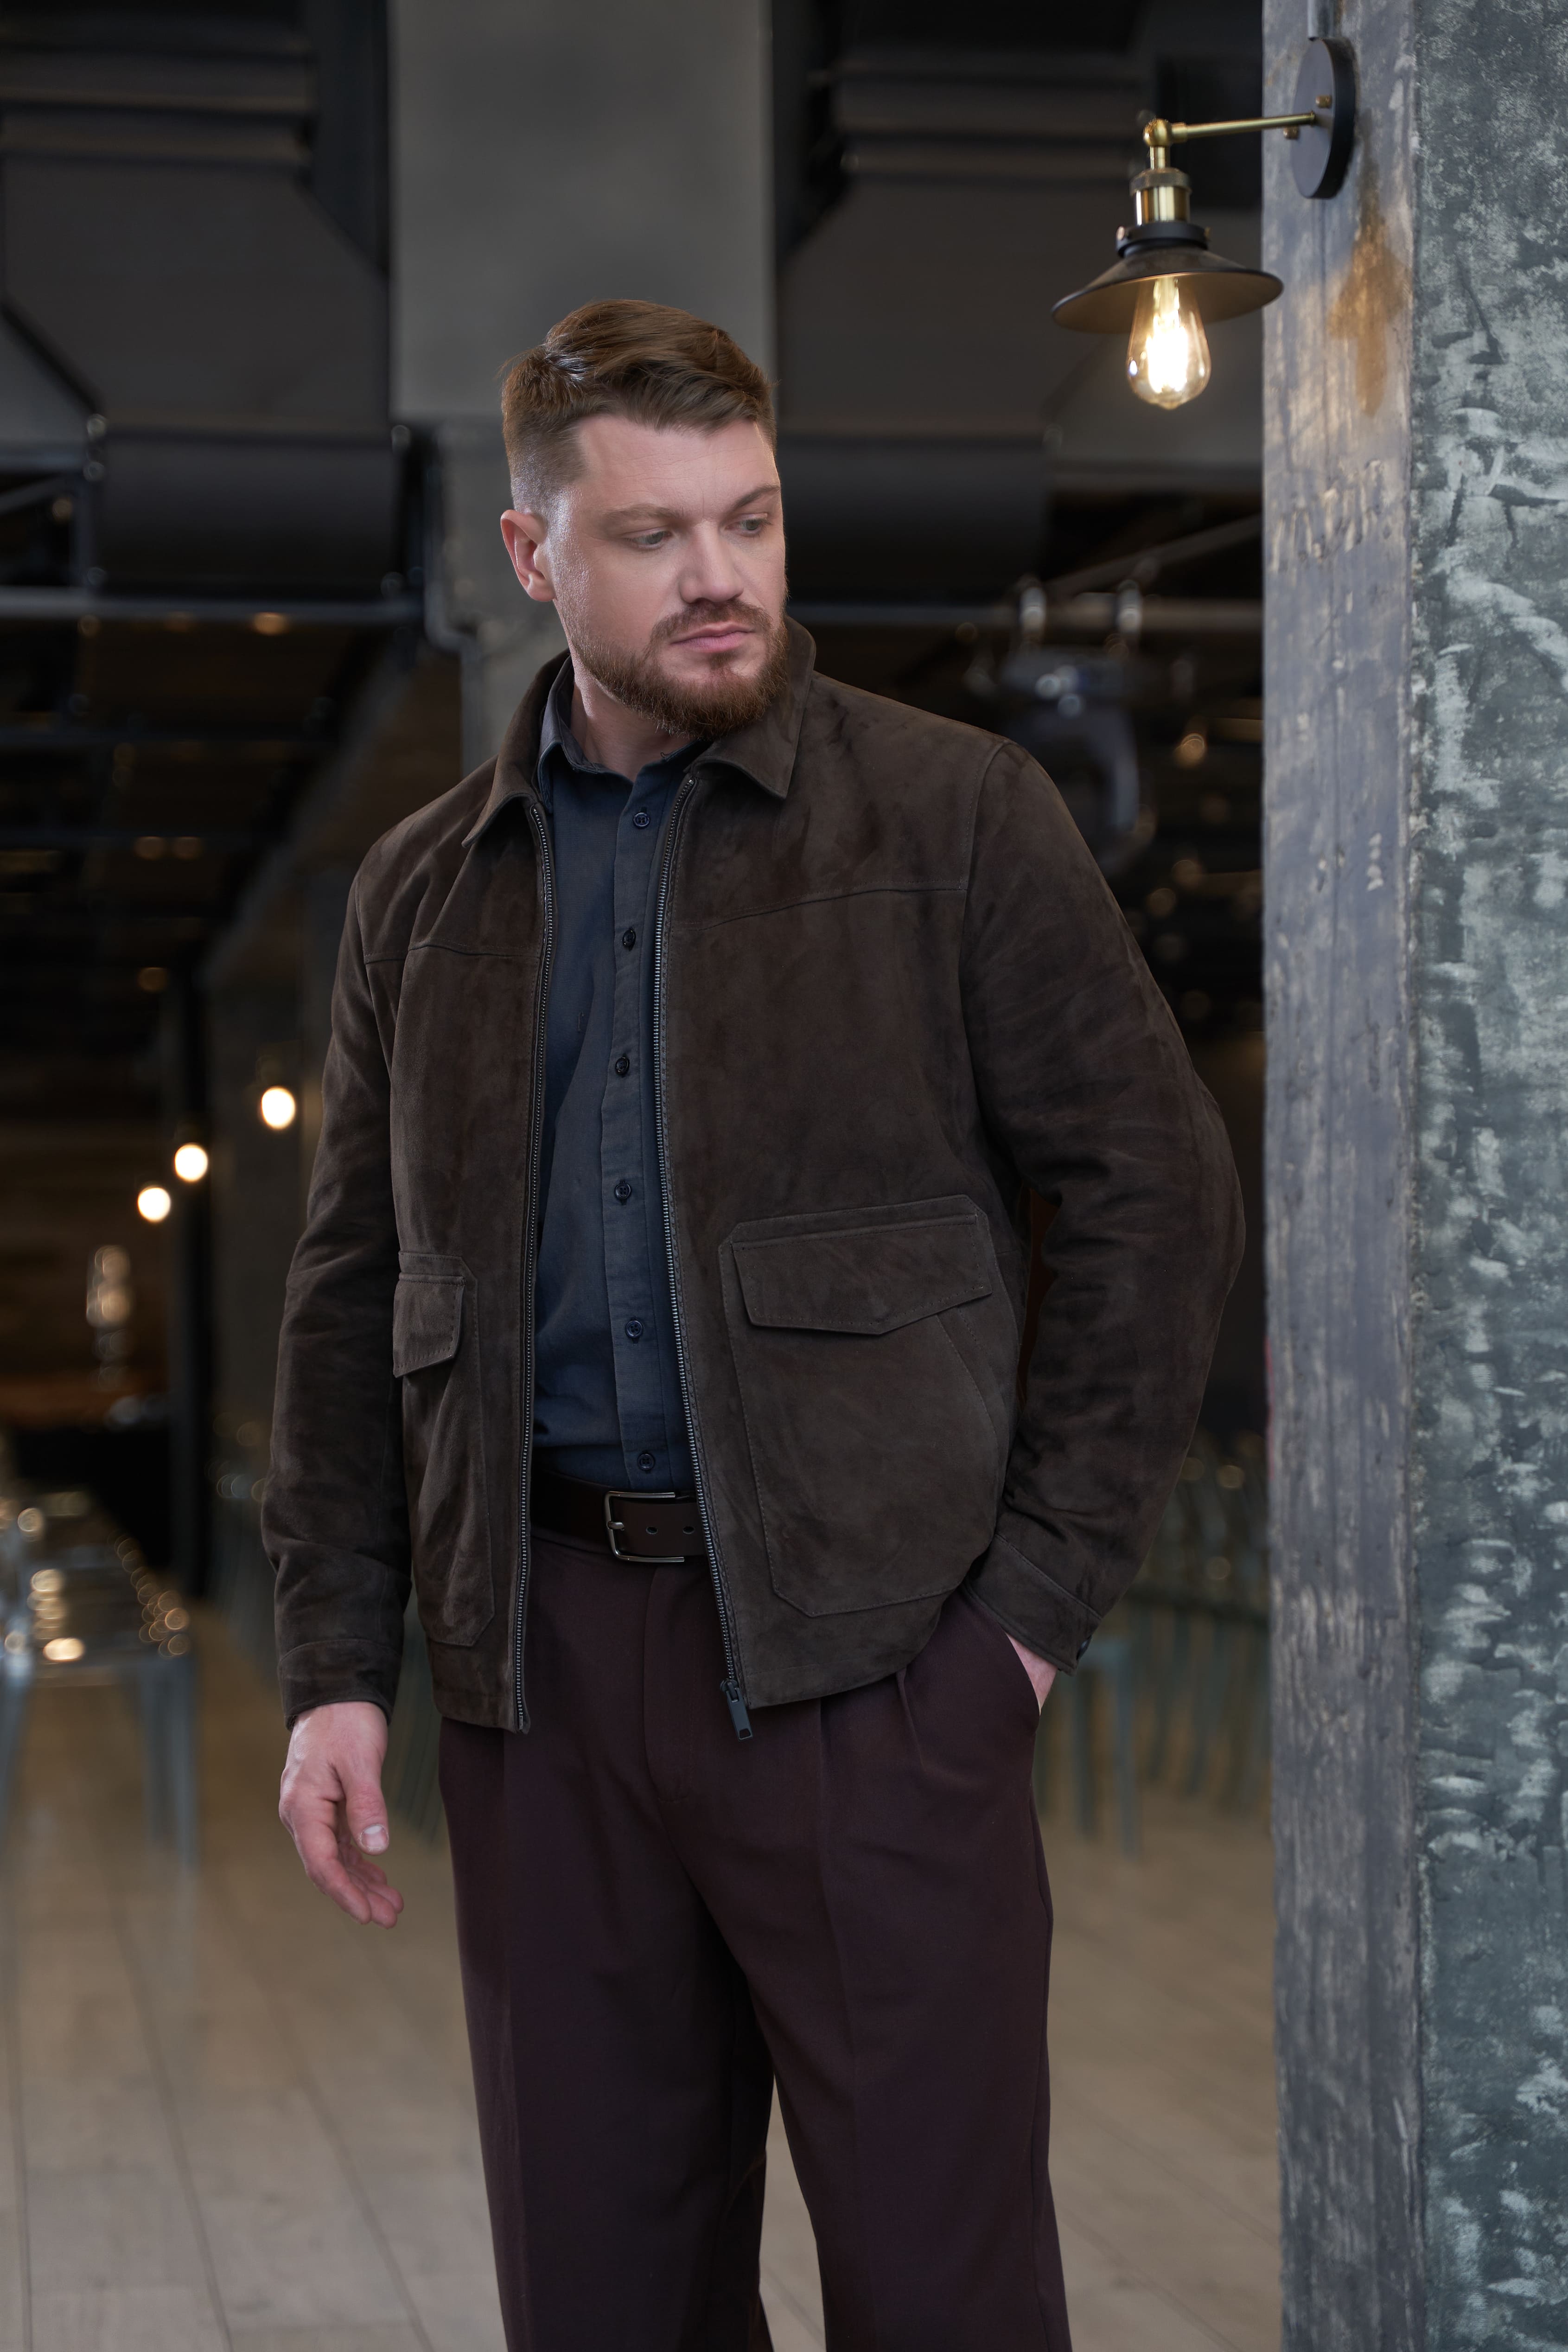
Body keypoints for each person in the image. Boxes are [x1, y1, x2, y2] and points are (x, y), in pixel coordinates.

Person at [266, 298, 1243, 2352]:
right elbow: (353, 1290)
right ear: (535, 555)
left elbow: (1156, 1198)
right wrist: (337, 1664)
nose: (720, 575)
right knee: (602, 2300)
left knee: (947, 2298)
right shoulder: (423, 897)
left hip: (876, 1674)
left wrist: (1020, 1629)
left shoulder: (956, 819)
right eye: (653, 535)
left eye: (753, 518)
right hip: (539, 1683)